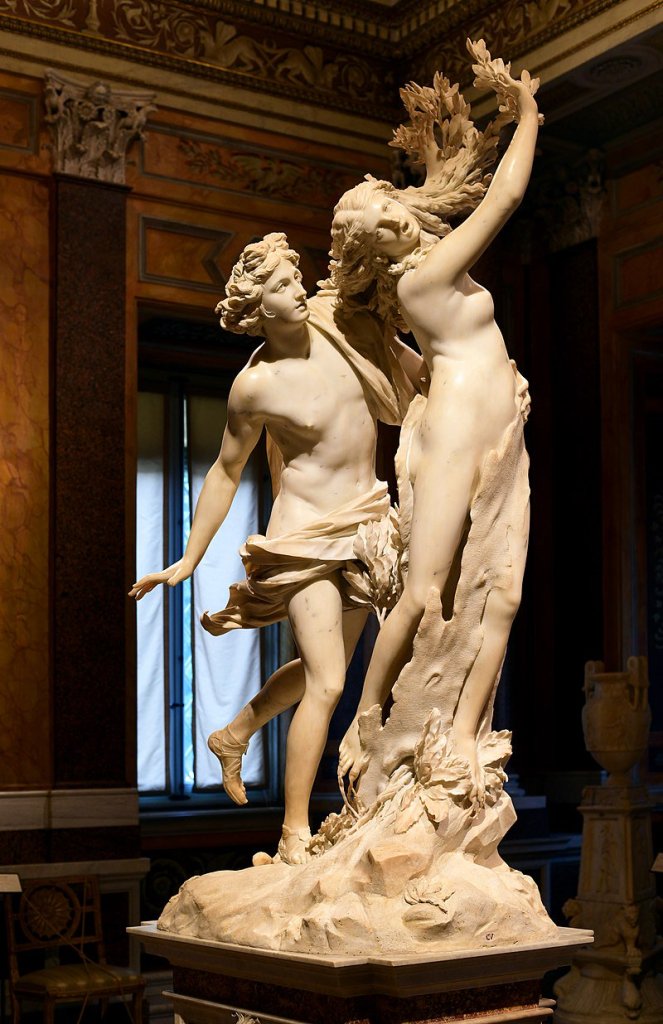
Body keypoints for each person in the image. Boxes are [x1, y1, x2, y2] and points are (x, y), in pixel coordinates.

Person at [130, 233, 423, 863]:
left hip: (366, 526)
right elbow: (225, 471)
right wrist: (188, 558)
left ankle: (235, 732)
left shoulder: (341, 322)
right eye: (284, 286)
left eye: (296, 278)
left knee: (325, 670)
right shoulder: (255, 386)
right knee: (328, 683)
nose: (300, 290)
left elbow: (410, 368)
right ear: (260, 309)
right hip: (302, 537)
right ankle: (294, 832)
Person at [330, 54, 540, 804]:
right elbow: (505, 196)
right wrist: (526, 113)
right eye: (377, 226)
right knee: (422, 591)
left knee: (503, 592)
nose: (393, 217)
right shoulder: (423, 278)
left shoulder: (421, 278)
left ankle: (465, 733)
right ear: (373, 250)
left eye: (387, 204)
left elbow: (423, 366)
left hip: (495, 422)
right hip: (457, 428)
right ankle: (366, 719)